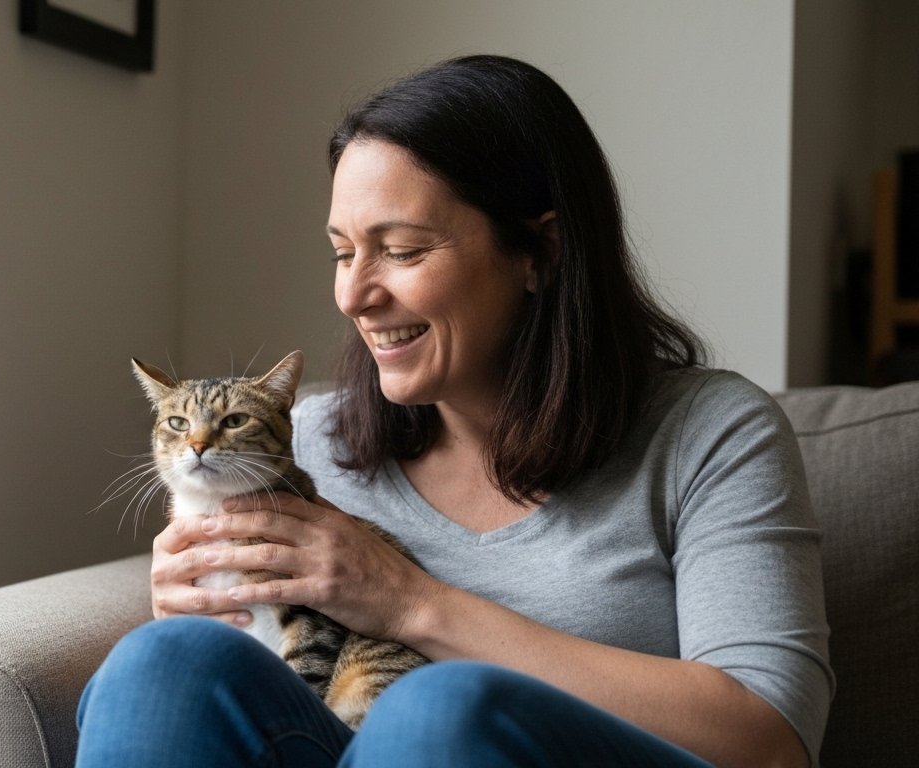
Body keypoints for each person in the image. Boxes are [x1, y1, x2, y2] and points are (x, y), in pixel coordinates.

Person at [74, 54, 832, 768]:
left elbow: (770, 741)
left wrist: (412, 603)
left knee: (441, 711)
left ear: (539, 253)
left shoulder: (712, 433)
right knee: (162, 664)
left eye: (400, 250)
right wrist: (201, 601)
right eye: (343, 253)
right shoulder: (301, 439)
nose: (354, 296)